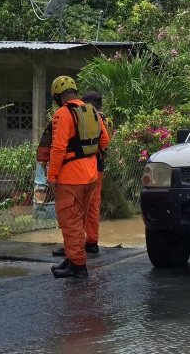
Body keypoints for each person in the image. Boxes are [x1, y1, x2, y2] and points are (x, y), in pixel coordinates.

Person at [47, 76, 109, 278]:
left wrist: (52, 175)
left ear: (58, 96)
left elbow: (57, 148)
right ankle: (73, 258)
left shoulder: (62, 114)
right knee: (79, 219)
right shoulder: (91, 110)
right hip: (91, 174)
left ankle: (78, 266)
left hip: (71, 177)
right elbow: (105, 140)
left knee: (70, 221)